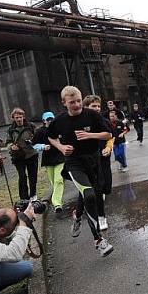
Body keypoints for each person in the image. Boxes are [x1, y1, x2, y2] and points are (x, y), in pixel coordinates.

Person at [47, 86, 115, 257]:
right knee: (89, 195)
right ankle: (98, 240)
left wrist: (90, 136)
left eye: (78, 101)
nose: (77, 105)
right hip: (73, 163)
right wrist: (61, 147)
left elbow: (108, 134)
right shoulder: (59, 120)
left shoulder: (91, 115)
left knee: (87, 193)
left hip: (93, 161)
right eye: (72, 102)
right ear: (64, 103)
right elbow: (50, 136)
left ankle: (77, 216)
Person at [82, 95, 111, 232]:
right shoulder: (81, 122)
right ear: (86, 107)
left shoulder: (103, 120)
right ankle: (100, 217)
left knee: (106, 185)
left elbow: (111, 136)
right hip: (88, 160)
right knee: (94, 188)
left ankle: (99, 196)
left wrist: (108, 147)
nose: (97, 108)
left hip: (103, 156)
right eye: (93, 106)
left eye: (98, 106)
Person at [33, 112, 66, 215]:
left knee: (59, 180)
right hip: (48, 160)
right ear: (44, 121)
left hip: (60, 158)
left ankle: (57, 204)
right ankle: (57, 199)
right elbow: (33, 145)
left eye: (51, 119)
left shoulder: (59, 128)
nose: (50, 121)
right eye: (48, 119)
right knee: (53, 182)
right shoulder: (40, 132)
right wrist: (42, 146)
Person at [6, 108, 38, 201]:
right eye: (17, 117)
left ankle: (33, 195)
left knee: (33, 176)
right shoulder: (11, 129)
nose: (19, 119)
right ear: (13, 118)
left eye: (20, 117)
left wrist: (32, 141)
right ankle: (24, 197)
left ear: (23, 117)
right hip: (19, 156)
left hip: (32, 154)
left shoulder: (31, 126)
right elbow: (7, 142)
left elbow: (37, 137)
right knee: (22, 176)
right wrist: (11, 146)